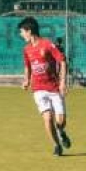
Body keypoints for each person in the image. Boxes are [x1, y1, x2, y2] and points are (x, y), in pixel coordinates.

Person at [19, 16, 71, 156]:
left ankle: (61, 131)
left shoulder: (47, 44)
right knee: (47, 118)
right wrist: (26, 80)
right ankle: (56, 145)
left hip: (54, 88)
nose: (21, 34)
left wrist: (62, 82)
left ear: (29, 31)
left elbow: (63, 61)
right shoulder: (26, 49)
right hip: (38, 89)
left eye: (22, 31)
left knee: (60, 121)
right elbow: (27, 67)